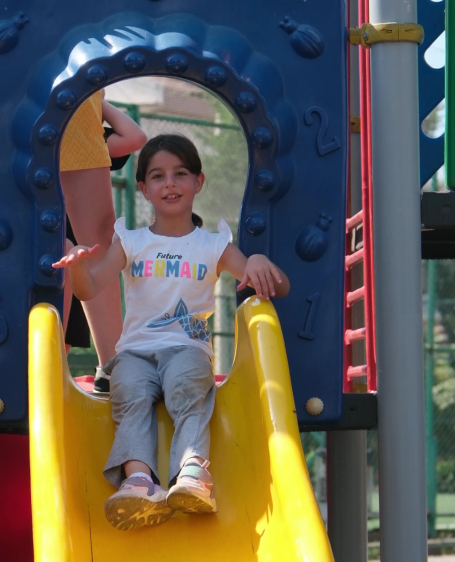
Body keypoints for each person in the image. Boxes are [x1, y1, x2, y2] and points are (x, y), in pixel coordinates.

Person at [53, 134, 290, 531]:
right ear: (144, 188)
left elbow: (278, 287)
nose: (170, 184)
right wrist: (77, 265)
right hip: (135, 352)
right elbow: (89, 289)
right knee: (129, 392)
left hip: (187, 348)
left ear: (198, 181)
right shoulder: (132, 242)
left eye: (180, 174)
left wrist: (259, 262)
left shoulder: (213, 245)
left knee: (187, 386)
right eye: (158, 176)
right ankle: (139, 479)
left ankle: (193, 472)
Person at [60, 91, 147, 393]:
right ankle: (75, 371)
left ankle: (97, 369)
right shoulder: (86, 143)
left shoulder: (94, 142)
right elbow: (135, 137)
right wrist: (94, 100)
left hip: (80, 259)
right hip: (71, 254)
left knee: (69, 313)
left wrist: (94, 102)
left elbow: (136, 137)